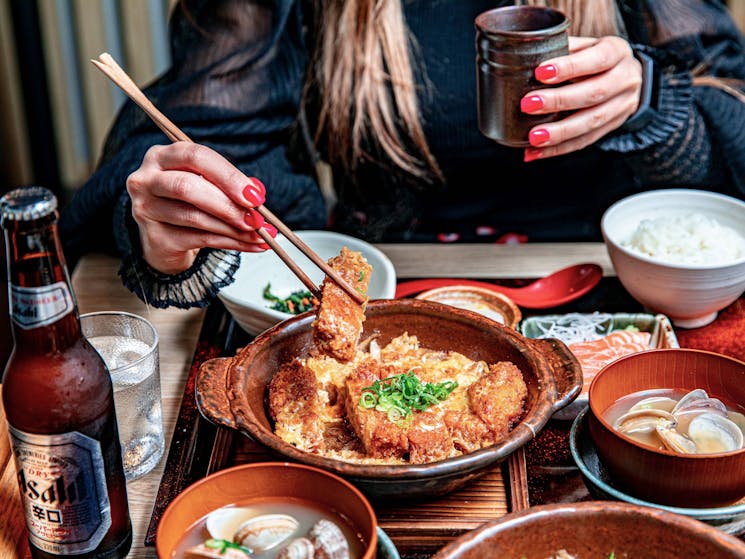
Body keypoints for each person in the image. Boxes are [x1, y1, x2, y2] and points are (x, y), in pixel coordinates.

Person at [59, 0, 745, 309]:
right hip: (383, 290)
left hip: (609, 287)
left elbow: (731, 141)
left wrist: (655, 98)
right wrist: (184, 212)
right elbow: (199, 143)